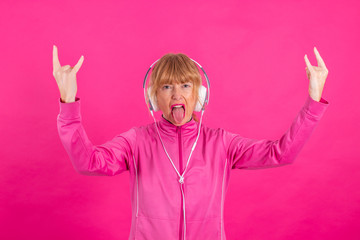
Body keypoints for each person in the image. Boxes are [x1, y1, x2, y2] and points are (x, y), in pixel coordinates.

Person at [53, 45, 329, 240]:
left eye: (185, 86)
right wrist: (68, 103)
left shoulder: (221, 143)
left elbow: (282, 153)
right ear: (153, 97)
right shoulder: (136, 141)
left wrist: (314, 101)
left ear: (199, 96)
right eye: (167, 86)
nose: (177, 94)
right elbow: (88, 162)